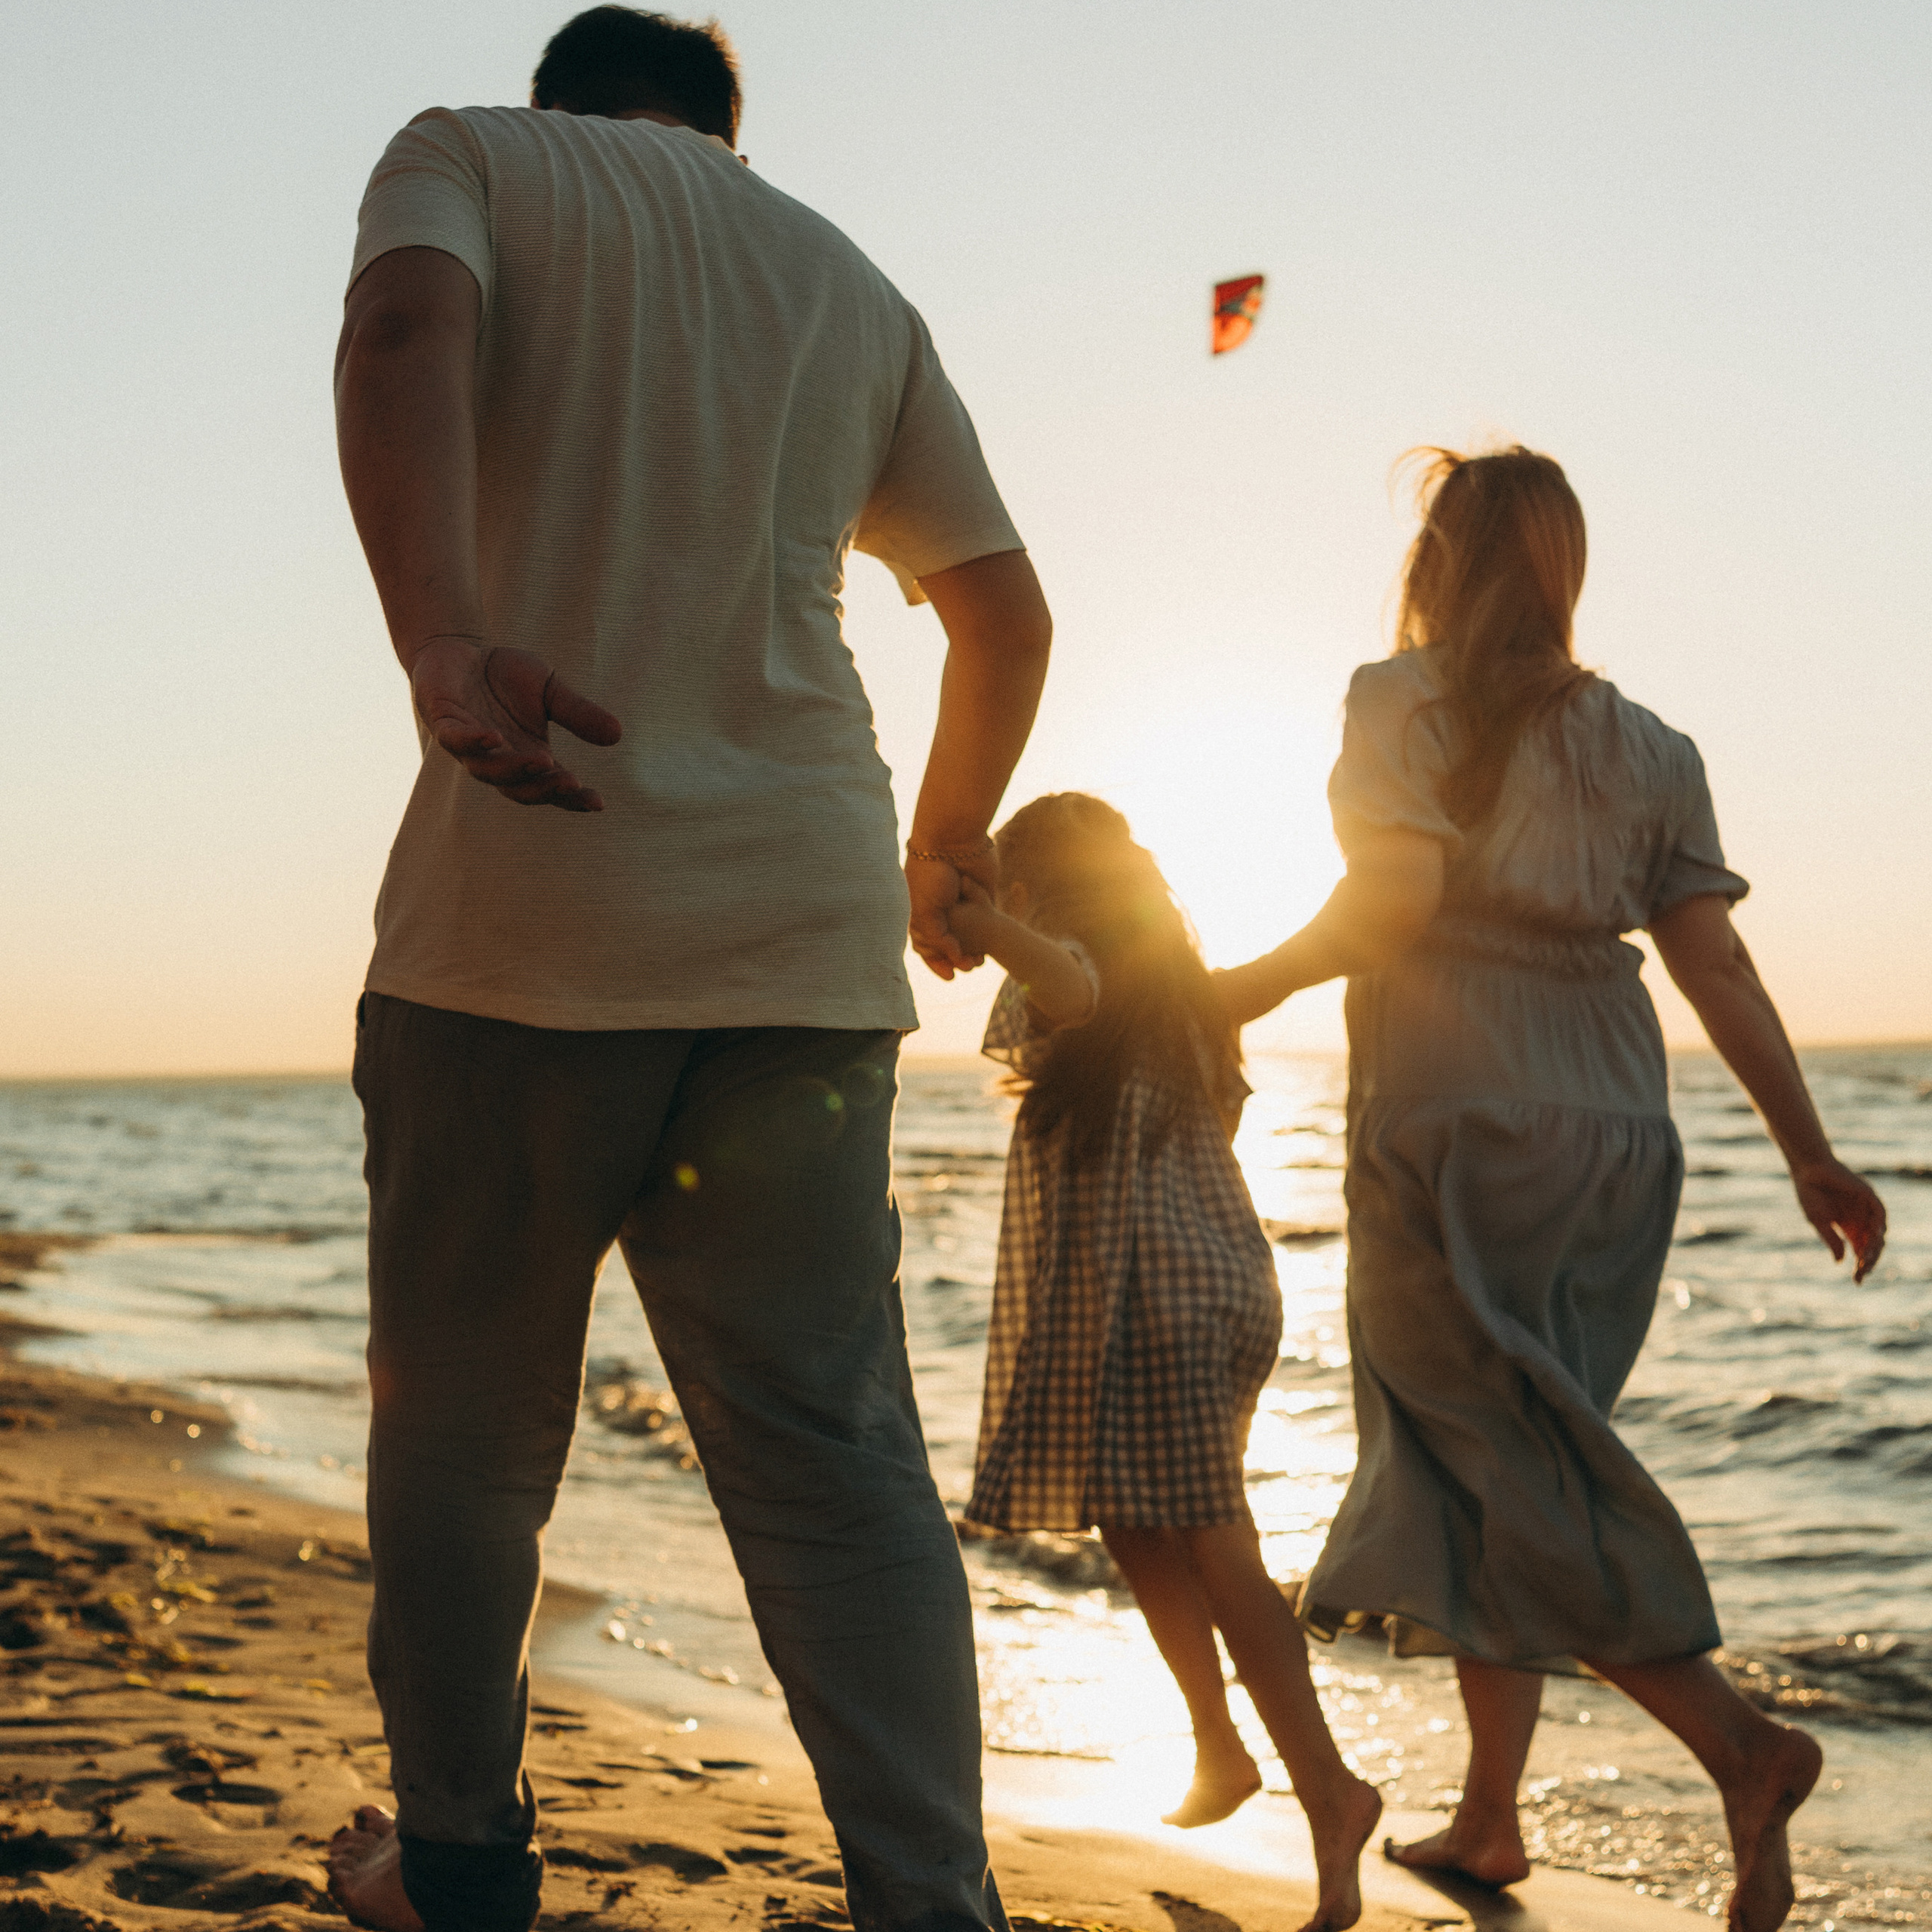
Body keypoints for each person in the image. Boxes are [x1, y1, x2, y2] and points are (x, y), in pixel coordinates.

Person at [325, 10, 1052, 1931]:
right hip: (800, 945)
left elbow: (402, 336)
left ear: (561, 100)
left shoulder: (468, 154)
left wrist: (444, 641)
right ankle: (932, 1900)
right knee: (837, 1469)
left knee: (466, 1438)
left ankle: (462, 1867)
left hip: (522, 920)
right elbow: (1001, 607)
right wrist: (940, 846)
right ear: (727, 136)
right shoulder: (841, 273)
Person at [1216, 447, 1887, 1932]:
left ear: (1435, 562)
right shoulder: (1652, 744)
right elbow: (1713, 960)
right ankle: (1489, 1815)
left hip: (1458, 1106)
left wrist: (1225, 988)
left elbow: (1388, 902)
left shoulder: (1399, 698)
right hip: (1614, 1129)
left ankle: (1741, 1744)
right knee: (1513, 1451)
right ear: (1564, 569)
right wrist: (1805, 1146)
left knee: (1500, 1458)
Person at [948, 795, 1383, 1932]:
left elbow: (1072, 985)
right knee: (1134, 1516)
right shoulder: (1185, 1001)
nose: (994, 900)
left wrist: (964, 911)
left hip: (1168, 1294)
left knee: (1213, 1538)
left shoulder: (1085, 975)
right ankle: (1216, 1745)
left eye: (1003, 881)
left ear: (1041, 889)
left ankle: (1332, 1794)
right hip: (1196, 1288)